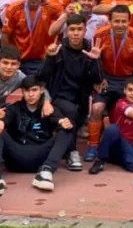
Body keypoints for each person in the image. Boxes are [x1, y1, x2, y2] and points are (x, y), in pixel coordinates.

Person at [39, 14, 104, 172]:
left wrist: (95, 60)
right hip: (59, 96)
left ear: (85, 30)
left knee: (77, 113)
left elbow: (98, 79)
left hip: (81, 98)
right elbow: (41, 76)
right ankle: (71, 152)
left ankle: (66, 149)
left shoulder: (90, 49)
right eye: (72, 29)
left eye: (79, 29)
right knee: (70, 111)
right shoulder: (58, 49)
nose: (76, 33)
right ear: (67, 31)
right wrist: (49, 58)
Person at [86, 5, 133, 162]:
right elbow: (93, 60)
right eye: (116, 21)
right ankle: (93, 146)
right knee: (96, 108)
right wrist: (97, 79)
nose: (120, 25)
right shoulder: (100, 35)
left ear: (129, 21)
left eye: (124, 21)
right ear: (110, 21)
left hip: (127, 80)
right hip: (106, 79)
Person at [0, 75, 76, 191]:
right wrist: (0, 122)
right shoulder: (15, 107)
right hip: (16, 156)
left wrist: (63, 122)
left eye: (34, 90)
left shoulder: (48, 109)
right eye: (27, 91)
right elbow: (6, 117)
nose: (30, 94)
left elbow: (58, 119)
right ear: (22, 91)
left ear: (42, 90)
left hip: (41, 157)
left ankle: (46, 172)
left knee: (66, 129)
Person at [1, 0, 62, 75]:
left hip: (41, 60)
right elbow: (5, 36)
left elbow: (69, 15)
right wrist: (10, 58)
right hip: (19, 61)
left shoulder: (52, 8)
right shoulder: (13, 9)